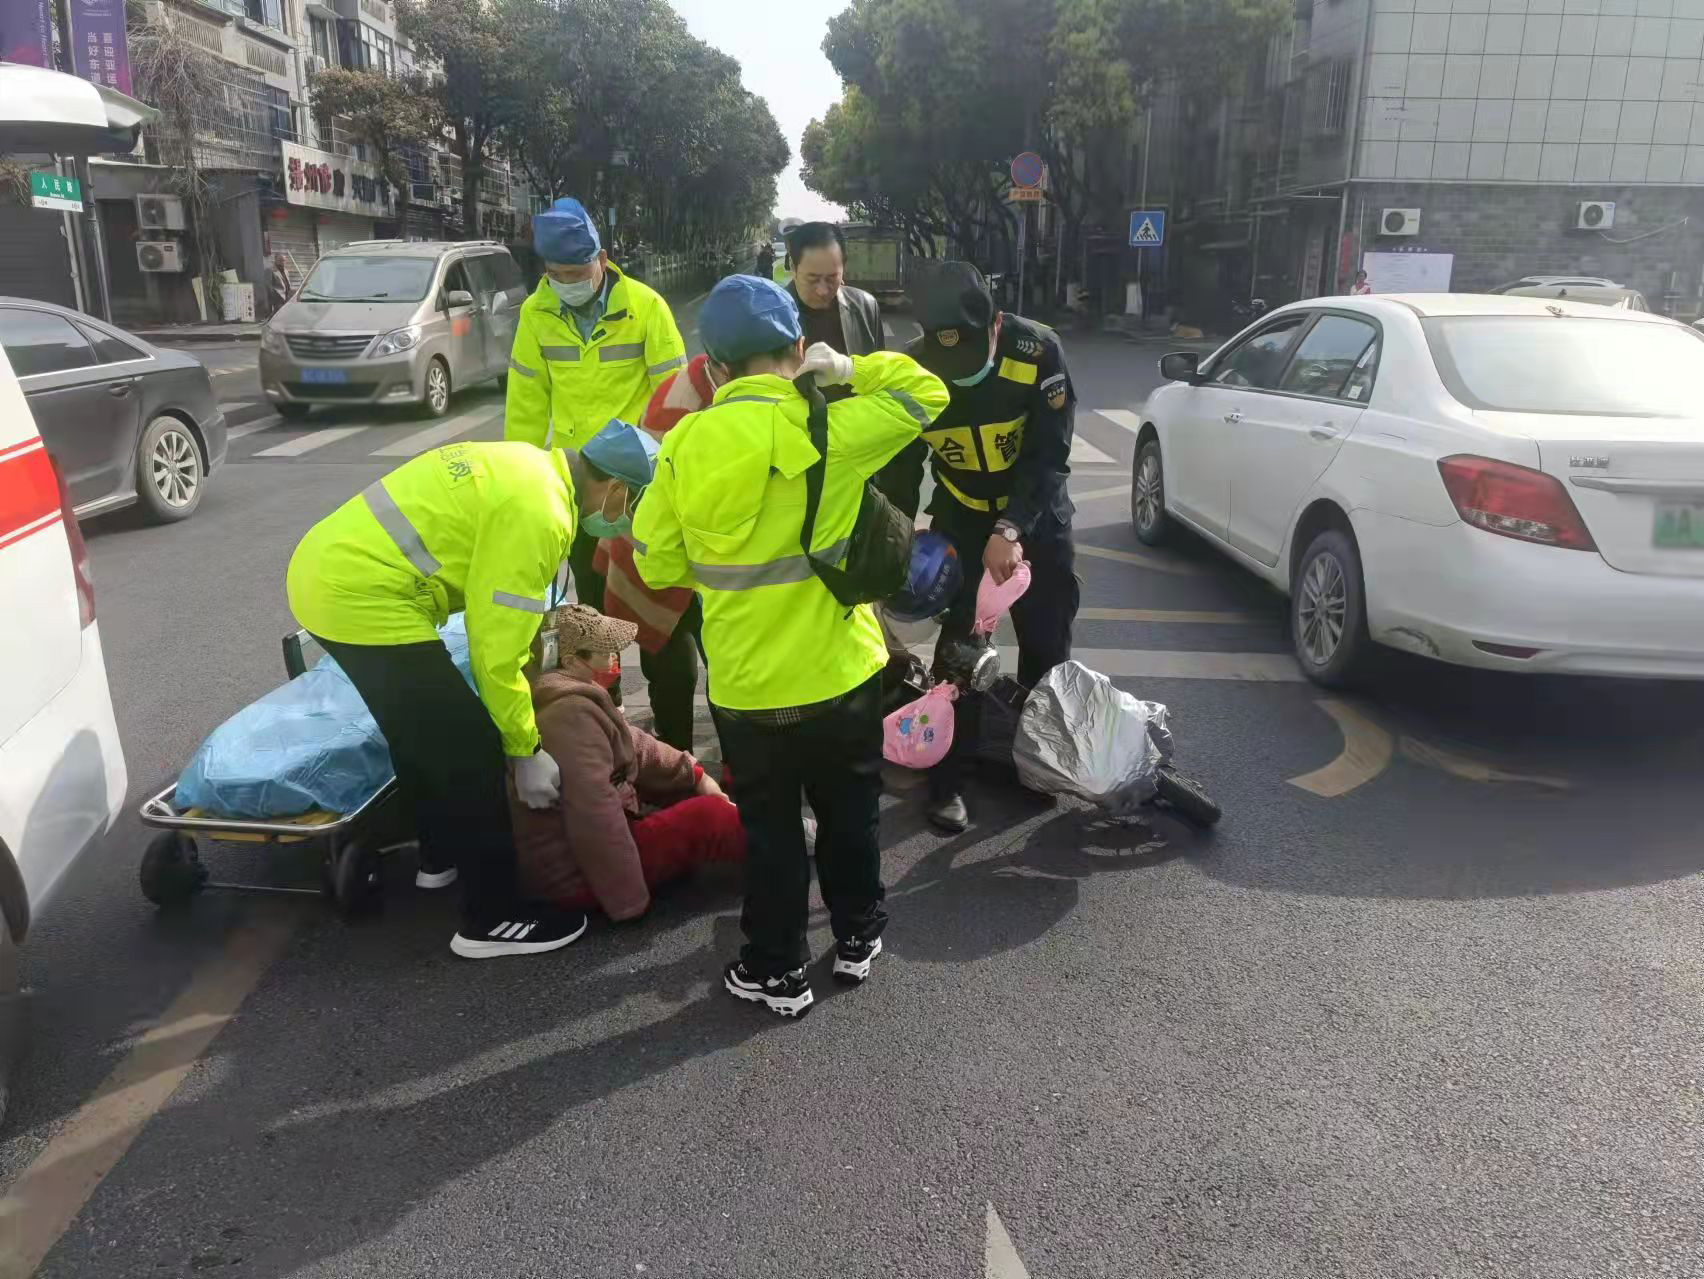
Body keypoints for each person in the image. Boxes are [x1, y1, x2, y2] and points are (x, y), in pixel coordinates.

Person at [631, 275, 948, 1019]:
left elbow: (657, 563)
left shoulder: (682, 448)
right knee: (850, 814)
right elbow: (927, 393)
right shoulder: (831, 429)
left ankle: (776, 970)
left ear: (713, 369)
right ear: (799, 349)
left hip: (747, 687)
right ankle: (858, 934)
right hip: (842, 675)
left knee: (770, 832)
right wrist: (851, 368)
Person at [285, 422, 657, 960]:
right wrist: (524, 749)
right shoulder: (540, 514)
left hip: (328, 574)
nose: (626, 519)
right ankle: (493, 917)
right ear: (616, 488)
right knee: (471, 746)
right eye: (634, 504)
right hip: (361, 596)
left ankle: (438, 858)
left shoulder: (531, 468)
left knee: (417, 728)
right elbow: (495, 648)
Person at [879, 261, 1080, 834]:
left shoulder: (1037, 351)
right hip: (963, 518)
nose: (958, 371)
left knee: (1046, 643)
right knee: (960, 655)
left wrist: (1012, 527)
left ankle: (1038, 764)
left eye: (969, 353)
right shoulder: (913, 371)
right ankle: (949, 783)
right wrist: (893, 542)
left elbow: (1050, 454)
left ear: (994, 325)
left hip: (1036, 520)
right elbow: (900, 469)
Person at [506, 196, 694, 746]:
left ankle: (676, 741)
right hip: (580, 489)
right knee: (591, 623)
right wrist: (524, 482)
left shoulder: (645, 307)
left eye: (577, 272)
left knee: (661, 620)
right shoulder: (536, 314)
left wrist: (669, 477)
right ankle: (607, 730)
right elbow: (526, 405)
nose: (567, 283)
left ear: (603, 259)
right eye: (556, 274)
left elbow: (677, 399)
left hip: (643, 488)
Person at [512, 604, 746, 921]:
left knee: (688, 792)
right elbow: (593, 812)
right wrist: (628, 901)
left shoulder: (569, 693)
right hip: (577, 876)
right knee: (708, 816)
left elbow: (635, 745)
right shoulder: (568, 714)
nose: (615, 657)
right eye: (605, 651)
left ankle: (768, 829)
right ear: (571, 661)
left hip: (582, 856)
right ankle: (784, 839)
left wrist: (694, 774)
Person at [785, 221, 885, 360]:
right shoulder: (773, 317)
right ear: (793, 267)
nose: (823, 291)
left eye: (831, 278)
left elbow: (879, 368)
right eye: (813, 279)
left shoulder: (866, 307)